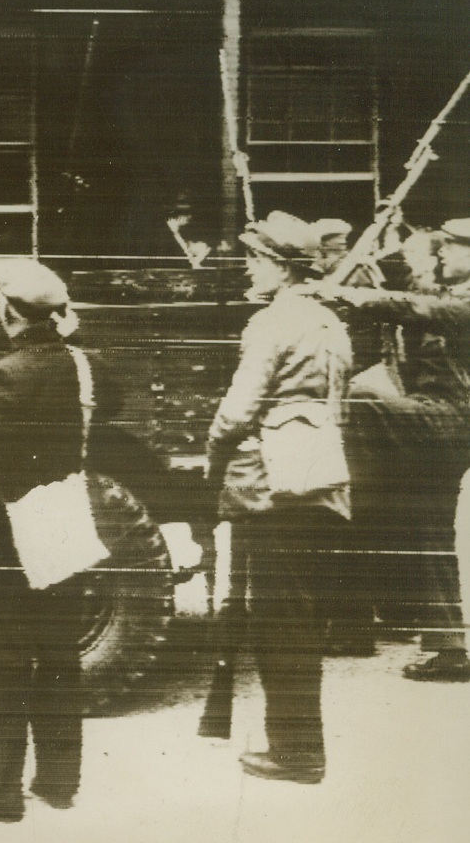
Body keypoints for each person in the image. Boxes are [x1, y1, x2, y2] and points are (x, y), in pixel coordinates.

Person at [0, 257, 119, 822]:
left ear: (7, 312)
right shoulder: (87, 367)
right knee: (60, 656)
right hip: (68, 522)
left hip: (10, 537)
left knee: (2, 663)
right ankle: (59, 781)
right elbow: (112, 402)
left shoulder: (6, 375)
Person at [206, 211, 352, 785]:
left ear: (277, 265)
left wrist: (215, 454)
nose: (247, 266)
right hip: (321, 479)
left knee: (279, 622)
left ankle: (295, 752)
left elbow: (238, 411)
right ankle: (299, 746)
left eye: (253, 258)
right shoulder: (328, 323)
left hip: (274, 486)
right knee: (300, 616)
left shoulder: (270, 322)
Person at [320, 217, 470, 682]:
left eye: (453, 248)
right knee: (428, 530)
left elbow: (419, 308)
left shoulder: (459, 303)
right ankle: (446, 648)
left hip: (448, 420)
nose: (443, 254)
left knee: (360, 404)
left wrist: (354, 295)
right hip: (438, 425)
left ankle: (360, 619)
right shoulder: (449, 296)